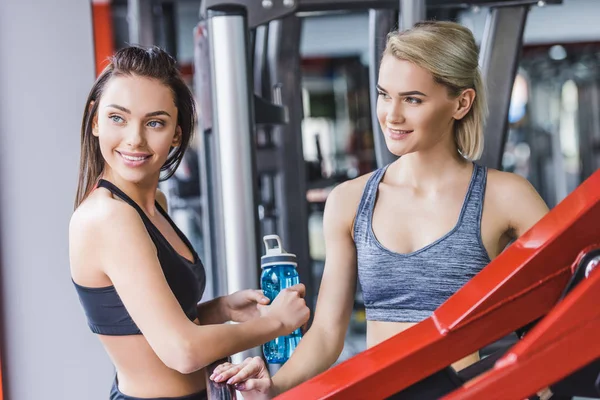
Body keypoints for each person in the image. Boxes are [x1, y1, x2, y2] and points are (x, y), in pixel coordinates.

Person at [209, 21, 549, 398]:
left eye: (413, 99)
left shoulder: (505, 195)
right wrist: (274, 385)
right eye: (385, 95)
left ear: (461, 102)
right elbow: (326, 334)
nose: (392, 114)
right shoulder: (351, 200)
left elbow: (569, 301)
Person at [69, 46, 309, 400]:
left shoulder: (151, 205)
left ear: (177, 134)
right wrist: (275, 323)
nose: (135, 138)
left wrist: (222, 309)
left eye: (154, 122)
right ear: (94, 120)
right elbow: (181, 350)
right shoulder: (109, 217)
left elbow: (145, 324)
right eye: (117, 118)